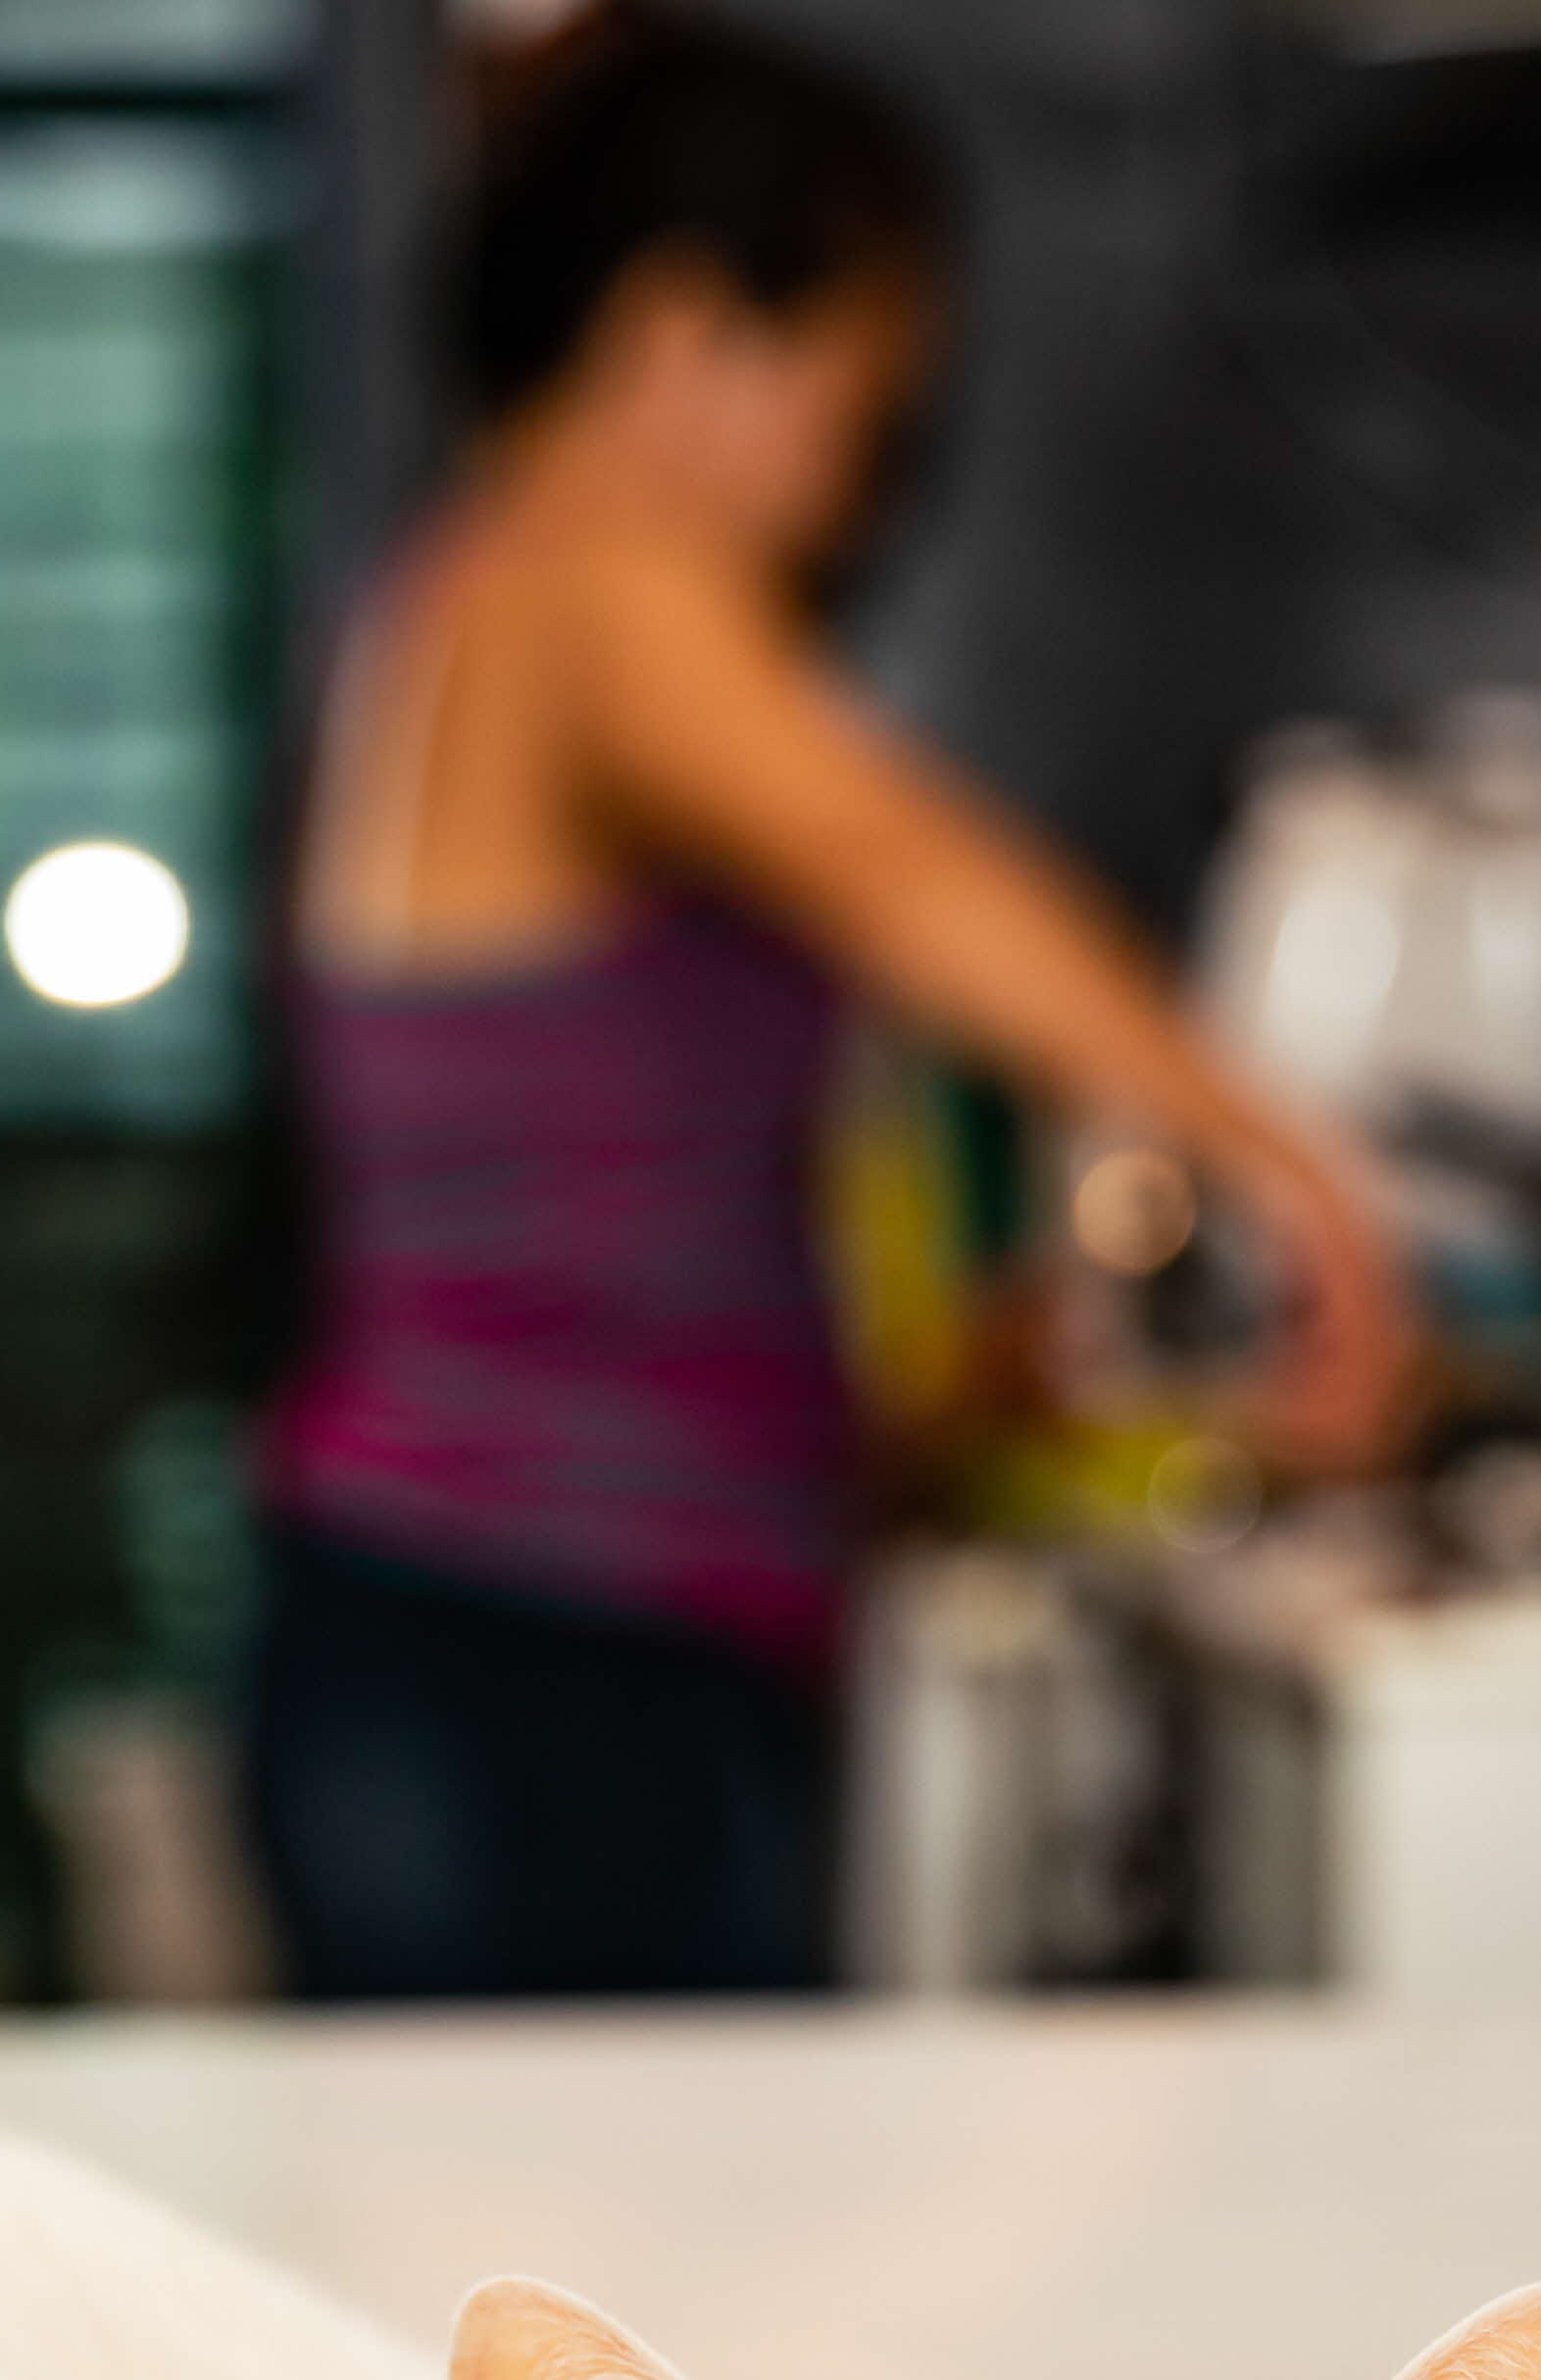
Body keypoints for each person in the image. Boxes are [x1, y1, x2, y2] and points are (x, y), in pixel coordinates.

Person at [248, 6, 1416, 2004]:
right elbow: (906, 874)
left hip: (508, 1636)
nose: (854, 492)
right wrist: (1296, 1174)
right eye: (853, 407)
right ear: (685, 333)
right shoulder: (592, 579)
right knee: (614, 2308)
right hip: (529, 1667)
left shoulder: (471, 594)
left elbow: (608, 1237)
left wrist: (947, 1396)